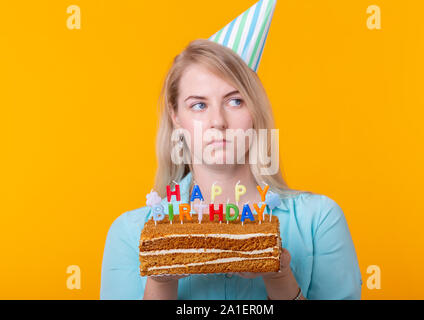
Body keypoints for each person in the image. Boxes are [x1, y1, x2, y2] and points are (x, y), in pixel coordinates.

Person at [100, 0, 362, 300]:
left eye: (235, 101)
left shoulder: (320, 220)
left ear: (256, 109)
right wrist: (162, 280)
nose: (218, 122)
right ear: (176, 117)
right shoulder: (130, 233)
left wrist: (279, 275)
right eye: (198, 105)